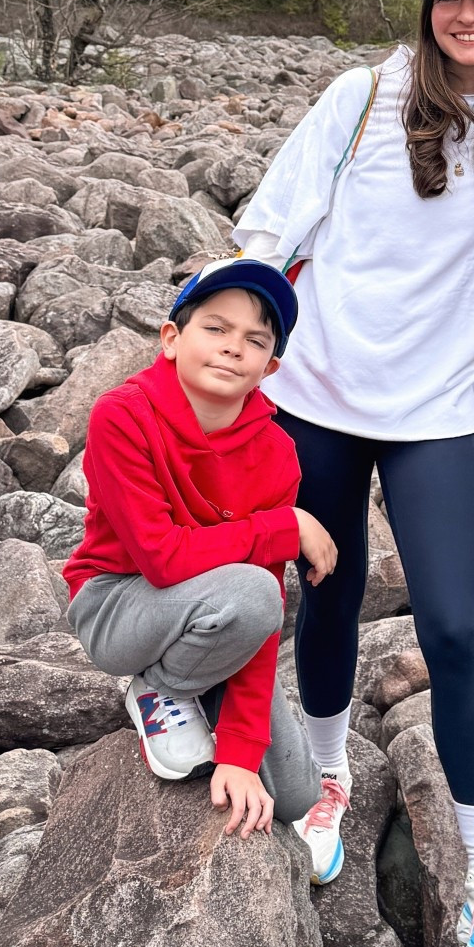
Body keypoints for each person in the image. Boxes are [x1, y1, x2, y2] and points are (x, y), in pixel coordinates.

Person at [233, 0, 474, 947]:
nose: (467, 14)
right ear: (424, 7)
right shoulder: (359, 98)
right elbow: (273, 223)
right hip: (316, 393)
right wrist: (230, 347)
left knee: (454, 630)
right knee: (325, 588)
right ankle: (327, 776)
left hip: (437, 411)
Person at [63, 256, 335, 839]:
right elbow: (162, 559)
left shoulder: (277, 455)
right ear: (171, 338)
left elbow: (260, 628)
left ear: (270, 366)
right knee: (254, 590)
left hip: (217, 612)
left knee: (295, 794)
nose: (233, 347)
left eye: (255, 339)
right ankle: (157, 687)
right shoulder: (122, 415)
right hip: (117, 605)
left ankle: (185, 680)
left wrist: (239, 752)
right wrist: (286, 526)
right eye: (215, 328)